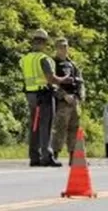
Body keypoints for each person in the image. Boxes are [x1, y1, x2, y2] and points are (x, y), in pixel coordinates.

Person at [20, 29, 73, 167]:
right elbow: (51, 78)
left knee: (34, 126)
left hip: (30, 95)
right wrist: (64, 79)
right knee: (46, 125)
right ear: (44, 43)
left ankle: (34, 157)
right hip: (44, 95)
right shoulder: (44, 59)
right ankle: (46, 156)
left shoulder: (25, 59)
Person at [51, 37, 84, 164]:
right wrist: (63, 95)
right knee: (59, 128)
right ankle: (54, 154)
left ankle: (73, 156)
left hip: (74, 101)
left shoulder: (73, 65)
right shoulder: (53, 64)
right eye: (60, 47)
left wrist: (79, 96)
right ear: (56, 48)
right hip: (62, 102)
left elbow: (80, 82)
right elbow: (51, 83)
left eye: (65, 46)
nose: (63, 49)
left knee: (74, 129)